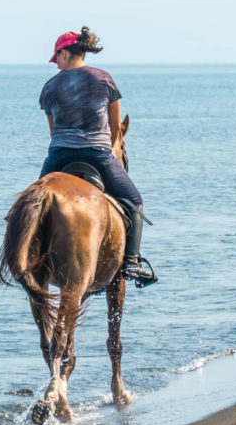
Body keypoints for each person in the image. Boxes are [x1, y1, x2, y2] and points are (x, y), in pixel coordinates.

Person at [38, 26, 157, 287]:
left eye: (56, 58)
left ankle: (31, 259)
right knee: (134, 200)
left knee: (33, 204)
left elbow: (53, 132)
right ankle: (132, 262)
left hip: (59, 155)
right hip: (98, 154)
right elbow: (115, 130)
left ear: (65, 53)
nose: (56, 64)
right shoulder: (104, 79)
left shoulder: (49, 87)